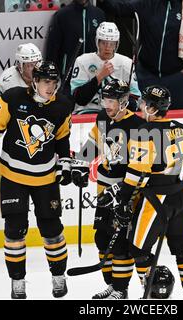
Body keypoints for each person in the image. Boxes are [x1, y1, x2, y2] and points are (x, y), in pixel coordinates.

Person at [0, 61, 74, 299]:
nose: (50, 87)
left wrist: (65, 163)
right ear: (34, 81)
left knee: (52, 230)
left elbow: (62, 138)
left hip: (45, 177)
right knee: (15, 231)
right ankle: (17, 281)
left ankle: (58, 276)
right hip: (12, 176)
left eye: (54, 82)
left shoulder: (62, 106)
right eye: (46, 82)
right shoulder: (13, 98)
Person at [99, 85, 183, 299]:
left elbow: (136, 173)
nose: (140, 106)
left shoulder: (144, 132)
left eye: (144, 103)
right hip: (181, 196)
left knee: (138, 249)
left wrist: (123, 200)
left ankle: (156, 296)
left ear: (153, 109)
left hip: (157, 199)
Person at [71, 79, 145, 299]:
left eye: (111, 100)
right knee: (102, 239)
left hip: (125, 194)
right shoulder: (103, 116)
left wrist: (124, 193)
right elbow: (94, 142)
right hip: (103, 190)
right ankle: (112, 285)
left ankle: (121, 290)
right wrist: (82, 165)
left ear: (123, 101)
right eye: (105, 99)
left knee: (120, 242)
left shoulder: (137, 127)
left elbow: (140, 167)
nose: (107, 104)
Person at [98, 0, 183, 109]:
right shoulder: (147, 3)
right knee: (142, 117)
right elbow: (119, 7)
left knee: (177, 119)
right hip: (147, 75)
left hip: (176, 78)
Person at [71, 21, 141, 113]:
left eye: (111, 44)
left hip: (117, 113)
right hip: (87, 112)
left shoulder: (127, 63)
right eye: (104, 43)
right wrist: (99, 77)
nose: (108, 48)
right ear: (97, 42)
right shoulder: (82, 61)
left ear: (117, 44)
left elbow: (135, 101)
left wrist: (118, 98)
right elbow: (79, 99)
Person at [45, 0, 106, 94]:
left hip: (93, 74)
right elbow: (52, 49)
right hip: (68, 77)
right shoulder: (62, 15)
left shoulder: (99, 14)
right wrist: (51, 77)